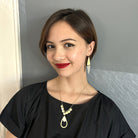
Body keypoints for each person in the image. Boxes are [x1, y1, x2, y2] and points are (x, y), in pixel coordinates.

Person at [0, 8, 136, 138]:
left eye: (68, 45)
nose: (57, 56)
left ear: (90, 48)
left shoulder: (108, 113)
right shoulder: (27, 99)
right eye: (51, 46)